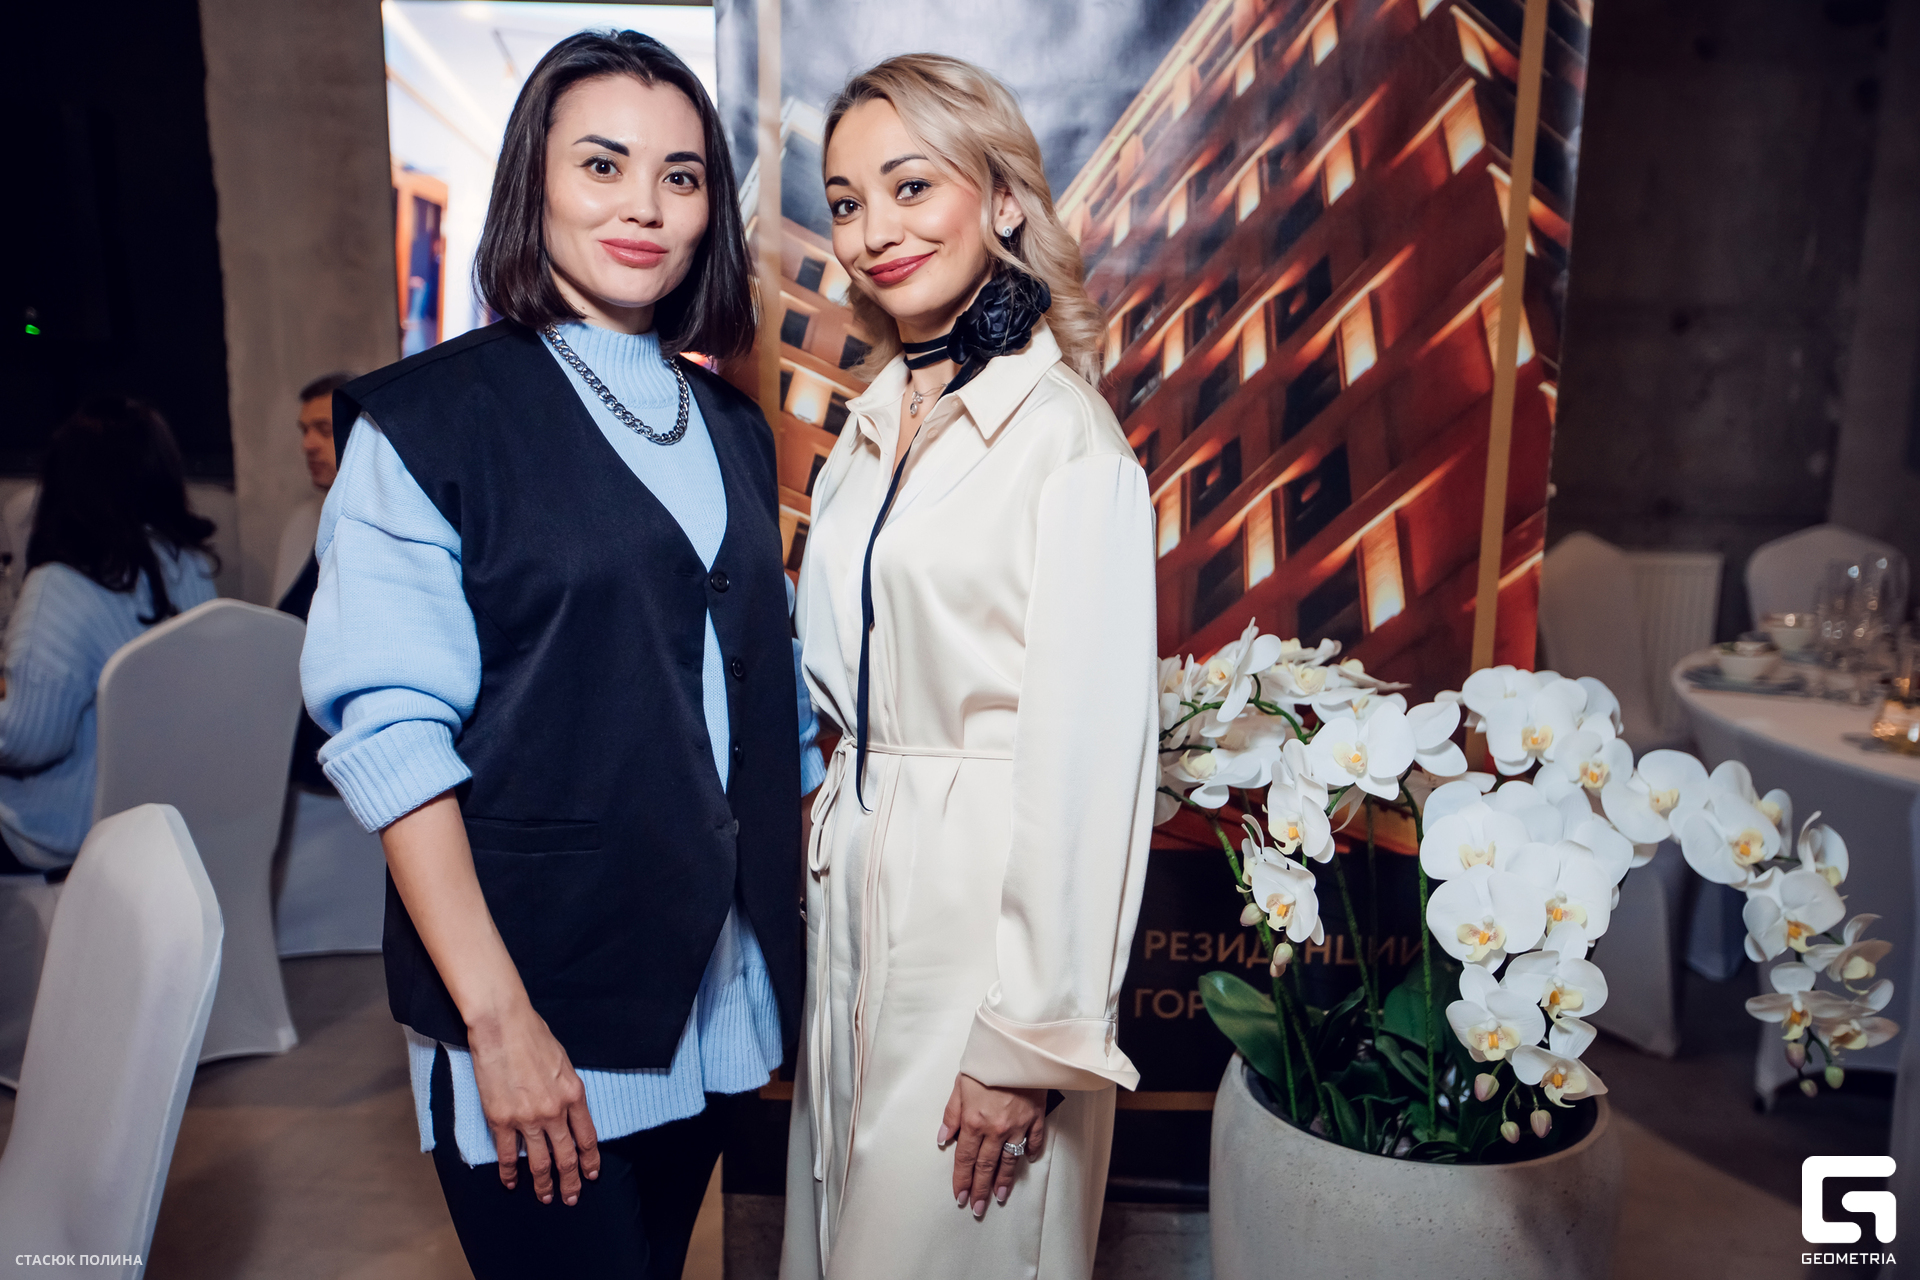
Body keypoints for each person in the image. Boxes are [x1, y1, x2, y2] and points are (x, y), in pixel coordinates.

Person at [300, 30, 819, 1277]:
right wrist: (498, 1020)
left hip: (711, 997)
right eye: (602, 164)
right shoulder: (428, 422)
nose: (644, 205)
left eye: (681, 176)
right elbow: (393, 741)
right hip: (534, 1004)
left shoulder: (733, 426)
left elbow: (765, 707)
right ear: (533, 179)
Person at [782, 55, 1158, 1280]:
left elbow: (1091, 764)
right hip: (855, 894)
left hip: (983, 928)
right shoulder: (871, 422)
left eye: (910, 186)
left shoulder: (1069, 443)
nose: (874, 231)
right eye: (848, 202)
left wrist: (1025, 1039)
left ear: (1000, 197)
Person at [0, 395, 218, 878]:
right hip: (167, 816)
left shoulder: (62, 584)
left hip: (66, 832)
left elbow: (28, 739)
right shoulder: (190, 566)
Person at [276, 370, 355, 792]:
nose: (308, 444)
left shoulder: (374, 529)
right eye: (304, 431)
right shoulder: (305, 522)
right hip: (300, 756)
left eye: (323, 430)